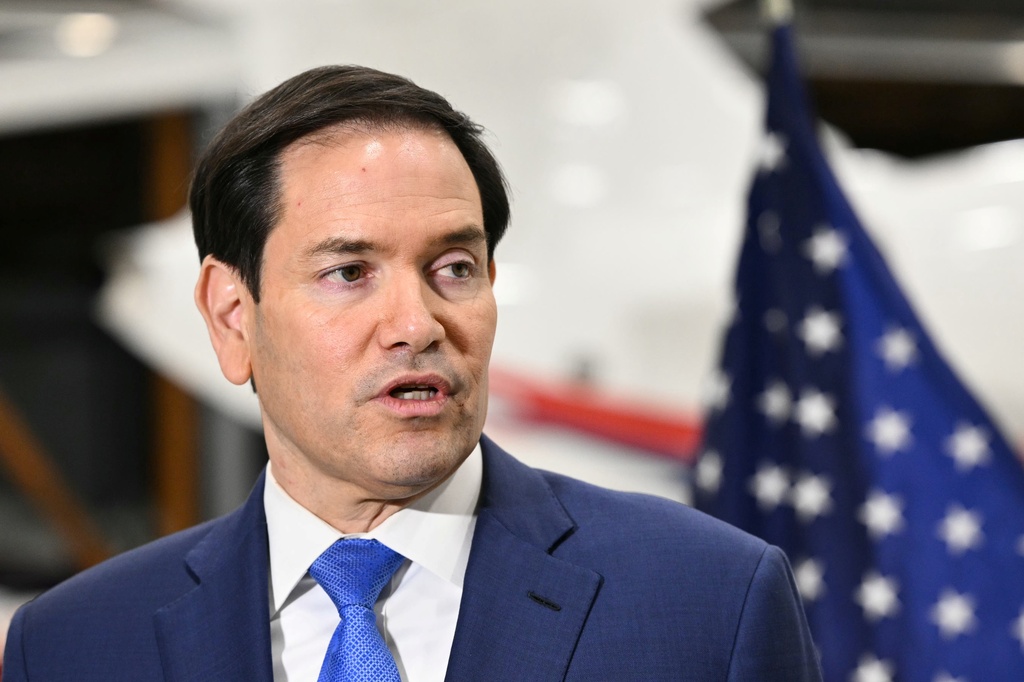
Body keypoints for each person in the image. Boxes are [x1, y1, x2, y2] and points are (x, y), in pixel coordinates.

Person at [2, 65, 821, 681]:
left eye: (454, 267)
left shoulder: (710, 601)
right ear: (231, 317)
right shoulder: (76, 645)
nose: (417, 324)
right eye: (349, 272)